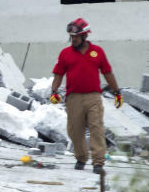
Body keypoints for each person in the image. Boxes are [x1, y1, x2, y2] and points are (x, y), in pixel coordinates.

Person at [50, 17, 122, 174]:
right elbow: (58, 73)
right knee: (75, 130)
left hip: (93, 97)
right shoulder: (65, 54)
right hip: (73, 98)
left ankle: (98, 162)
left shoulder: (98, 52)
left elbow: (107, 72)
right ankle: (81, 158)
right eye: (71, 37)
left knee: (96, 128)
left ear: (85, 36)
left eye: (76, 36)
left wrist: (117, 92)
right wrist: (54, 91)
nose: (73, 39)